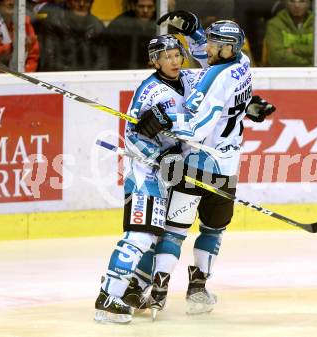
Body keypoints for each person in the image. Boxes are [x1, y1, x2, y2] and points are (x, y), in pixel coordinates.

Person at [134, 12, 275, 319]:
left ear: (227, 47)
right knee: (214, 230)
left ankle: (157, 291)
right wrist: (197, 31)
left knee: (173, 232)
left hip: (197, 163)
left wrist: (164, 119)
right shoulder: (244, 63)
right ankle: (198, 289)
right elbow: (229, 93)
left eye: (213, 43)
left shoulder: (212, 79)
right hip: (227, 164)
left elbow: (196, 129)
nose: (205, 48)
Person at [94, 34, 198, 325]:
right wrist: (160, 156)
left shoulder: (189, 80)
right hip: (145, 176)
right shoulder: (148, 93)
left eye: (177, 54)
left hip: (169, 177)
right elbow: (133, 138)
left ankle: (129, 291)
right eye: (166, 57)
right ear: (154, 61)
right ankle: (107, 295)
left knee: (154, 237)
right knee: (140, 235)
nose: (174, 61)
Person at [36, 0, 106, 71]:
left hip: (88, 78)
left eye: (86, 1)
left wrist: (86, 77)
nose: (82, 4)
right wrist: (77, 75)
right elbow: (49, 61)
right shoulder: (52, 23)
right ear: (68, 2)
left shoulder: (97, 26)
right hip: (59, 78)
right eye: (76, 1)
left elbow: (102, 62)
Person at [264, 0, 317, 66]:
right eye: (292, 1)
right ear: (286, 3)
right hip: (282, 75)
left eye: (302, 1)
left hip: (313, 75)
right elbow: (277, 58)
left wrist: (294, 50)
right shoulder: (275, 24)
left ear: (309, 3)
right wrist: (311, 62)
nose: (297, 5)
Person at [104, 0, 156, 69]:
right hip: (125, 73)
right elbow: (112, 60)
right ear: (134, 6)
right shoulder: (119, 26)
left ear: (155, 7)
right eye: (141, 6)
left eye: (150, 7)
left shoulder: (161, 23)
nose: (145, 10)